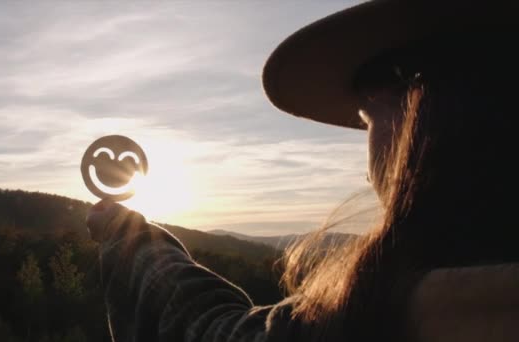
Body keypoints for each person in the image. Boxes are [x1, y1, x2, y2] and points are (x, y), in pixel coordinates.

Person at [86, 1, 519, 341]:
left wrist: (127, 239)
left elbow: (208, 331)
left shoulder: (381, 320)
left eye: (368, 120)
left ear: (429, 115)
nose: (369, 175)